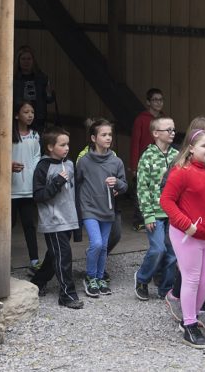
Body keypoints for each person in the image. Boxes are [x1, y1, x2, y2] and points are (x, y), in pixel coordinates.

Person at [160, 126, 205, 350]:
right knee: (191, 278)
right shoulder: (181, 171)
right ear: (191, 148)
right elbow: (166, 202)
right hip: (185, 235)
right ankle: (189, 325)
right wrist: (185, 225)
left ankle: (188, 317)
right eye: (204, 145)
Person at [30, 129, 84, 309]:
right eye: (62, 145)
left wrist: (78, 219)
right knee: (63, 256)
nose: (67, 148)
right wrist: (56, 183)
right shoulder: (43, 166)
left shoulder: (69, 163)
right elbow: (38, 195)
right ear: (50, 147)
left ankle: (38, 282)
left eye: (68, 144)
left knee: (55, 254)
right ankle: (67, 295)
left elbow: (73, 194)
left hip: (69, 218)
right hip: (53, 221)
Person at [76, 118, 127, 298]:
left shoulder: (116, 161)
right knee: (96, 243)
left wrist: (118, 183)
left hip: (108, 209)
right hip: (89, 208)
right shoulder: (84, 161)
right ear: (93, 138)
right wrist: (78, 209)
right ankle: (90, 277)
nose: (108, 138)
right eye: (103, 135)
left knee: (104, 246)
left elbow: (125, 186)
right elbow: (78, 183)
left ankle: (99, 277)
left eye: (110, 135)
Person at [134, 116, 178, 301]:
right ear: (155, 134)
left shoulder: (177, 155)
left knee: (173, 253)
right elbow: (142, 187)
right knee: (158, 248)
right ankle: (142, 278)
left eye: (173, 129)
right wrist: (148, 215)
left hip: (174, 213)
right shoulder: (148, 156)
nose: (172, 133)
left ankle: (166, 288)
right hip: (156, 212)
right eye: (168, 130)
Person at [11, 101, 41, 269]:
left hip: (28, 189)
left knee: (29, 224)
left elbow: (37, 156)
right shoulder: (7, 134)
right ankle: (2, 260)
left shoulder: (35, 135)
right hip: (10, 188)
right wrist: (9, 165)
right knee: (8, 225)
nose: (30, 115)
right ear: (16, 115)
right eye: (25, 112)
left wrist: (35, 175)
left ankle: (34, 260)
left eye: (32, 111)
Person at [130, 88, 165, 230]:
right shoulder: (141, 119)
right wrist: (134, 166)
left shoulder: (163, 119)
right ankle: (139, 222)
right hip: (144, 161)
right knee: (142, 190)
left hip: (159, 161)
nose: (158, 102)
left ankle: (156, 219)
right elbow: (135, 143)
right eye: (155, 99)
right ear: (148, 102)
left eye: (160, 99)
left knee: (156, 191)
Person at [13, 45, 54, 134]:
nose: (26, 62)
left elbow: (49, 99)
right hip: (19, 118)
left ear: (33, 60)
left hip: (38, 118)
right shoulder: (14, 79)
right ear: (18, 61)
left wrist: (49, 92)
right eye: (23, 59)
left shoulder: (42, 78)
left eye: (29, 59)